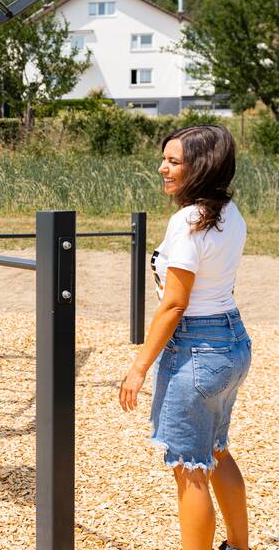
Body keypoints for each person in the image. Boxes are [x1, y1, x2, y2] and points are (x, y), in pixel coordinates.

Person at [118, 126, 251, 550]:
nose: (163, 167)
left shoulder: (188, 221)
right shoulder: (231, 214)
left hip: (196, 349)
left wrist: (138, 367)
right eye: (165, 159)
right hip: (231, 340)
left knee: (189, 468)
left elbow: (174, 305)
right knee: (215, 451)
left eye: (174, 161)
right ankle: (239, 546)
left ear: (202, 166)